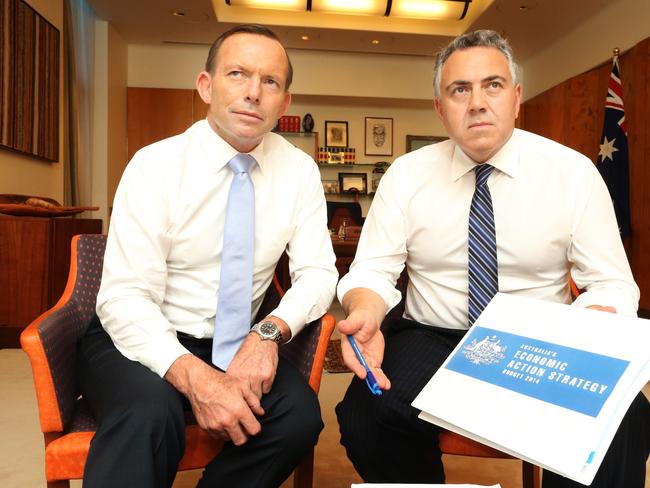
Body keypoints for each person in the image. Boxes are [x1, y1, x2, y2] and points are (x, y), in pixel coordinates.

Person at [335, 29, 649, 487]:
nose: (477, 102)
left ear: (517, 98)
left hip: (541, 339)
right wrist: (364, 311)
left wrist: (590, 329)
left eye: (493, 85)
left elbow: (612, 284)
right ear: (441, 108)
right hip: (434, 336)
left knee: (622, 421)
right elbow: (373, 269)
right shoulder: (406, 176)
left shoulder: (573, 174)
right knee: (367, 415)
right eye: (459, 90)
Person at [76, 24, 337, 488]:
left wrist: (268, 334)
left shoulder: (299, 172)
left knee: (298, 416)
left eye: (270, 82)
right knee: (147, 414)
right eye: (237, 74)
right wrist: (197, 379)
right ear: (206, 86)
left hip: (239, 340)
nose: (253, 93)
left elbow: (318, 273)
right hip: (137, 336)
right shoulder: (155, 165)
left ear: (285, 102)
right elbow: (124, 299)